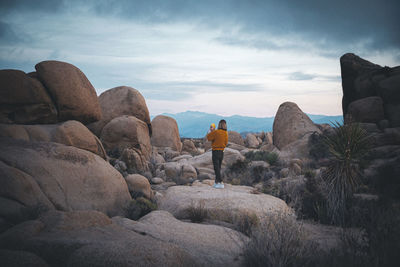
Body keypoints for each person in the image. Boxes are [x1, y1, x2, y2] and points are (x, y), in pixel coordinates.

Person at [206, 119, 228, 189]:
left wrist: (209, 132)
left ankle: (220, 182)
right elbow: (226, 143)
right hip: (222, 151)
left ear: (219, 125)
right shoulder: (225, 133)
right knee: (219, 167)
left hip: (215, 151)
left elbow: (209, 138)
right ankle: (216, 182)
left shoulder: (216, 132)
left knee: (216, 167)